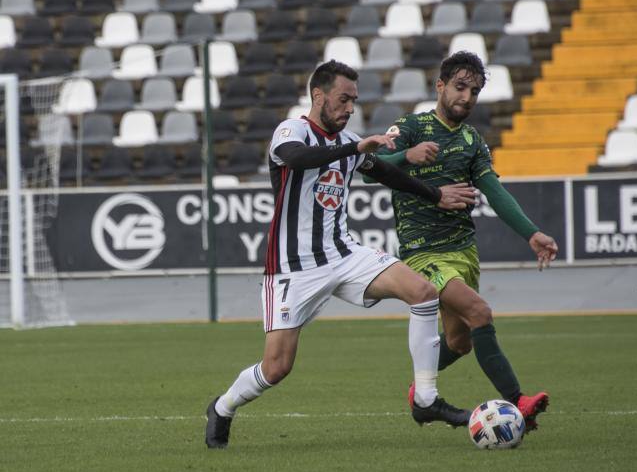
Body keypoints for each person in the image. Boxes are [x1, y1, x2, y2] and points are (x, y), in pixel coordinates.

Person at [205, 60, 479, 449]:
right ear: (318, 96)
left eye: (353, 100)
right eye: (343, 99)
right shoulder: (292, 130)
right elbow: (297, 158)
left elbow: (385, 173)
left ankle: (425, 399)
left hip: (344, 254)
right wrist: (355, 147)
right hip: (291, 268)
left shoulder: (348, 141)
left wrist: (436, 195)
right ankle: (223, 407)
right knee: (277, 367)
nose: (349, 107)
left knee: (422, 293)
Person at [372, 51, 558, 432]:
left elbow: (495, 191)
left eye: (474, 91)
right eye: (460, 87)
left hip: (463, 252)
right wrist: (407, 155)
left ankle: (418, 391)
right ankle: (517, 401)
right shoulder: (410, 127)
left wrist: (532, 233)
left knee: (459, 342)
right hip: (422, 253)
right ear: (440, 87)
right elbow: (368, 170)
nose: (467, 97)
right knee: (480, 313)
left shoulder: (473, 141)